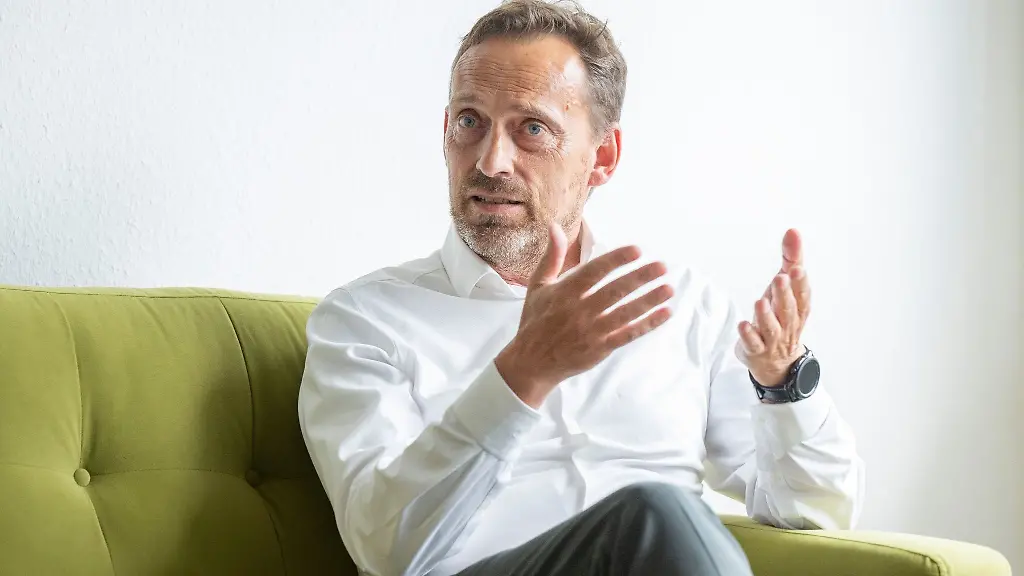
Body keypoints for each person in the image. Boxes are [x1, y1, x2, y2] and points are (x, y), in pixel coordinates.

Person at [298, 1, 865, 574]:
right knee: (655, 513)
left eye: (532, 129)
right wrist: (522, 372)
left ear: (603, 157)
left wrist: (783, 379)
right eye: (470, 122)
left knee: (659, 516)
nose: (491, 161)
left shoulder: (682, 308)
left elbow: (817, 510)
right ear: (446, 133)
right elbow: (386, 549)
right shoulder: (364, 321)